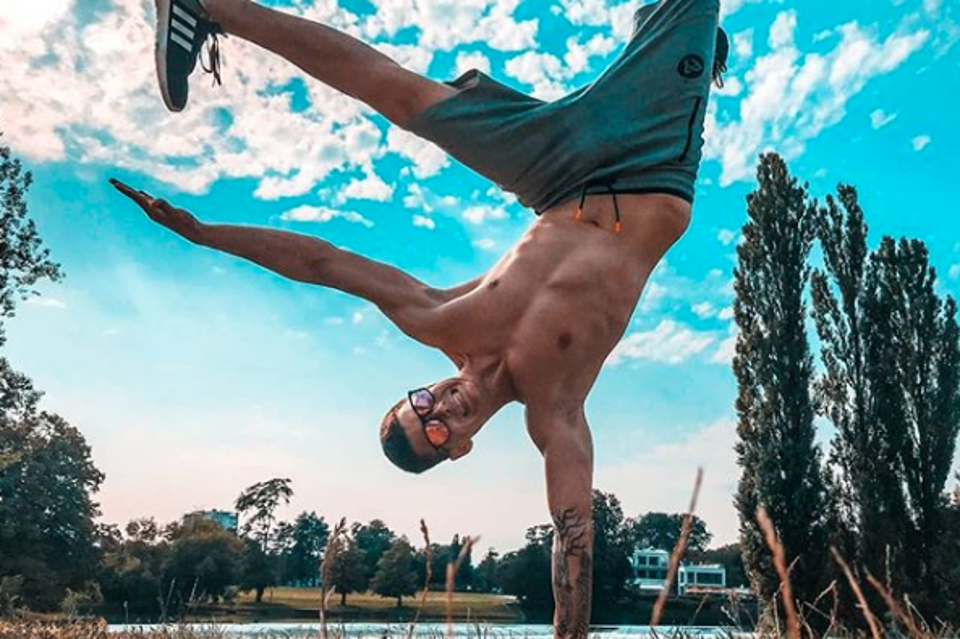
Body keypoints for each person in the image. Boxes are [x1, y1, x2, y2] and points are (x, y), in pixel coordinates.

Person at [115, 0, 726, 635]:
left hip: (555, 169)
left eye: (422, 404)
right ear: (458, 450)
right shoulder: (556, 411)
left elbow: (323, 263)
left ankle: (207, 7)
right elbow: (573, 538)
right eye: (435, 431)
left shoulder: (440, 319)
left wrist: (206, 234)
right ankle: (688, 42)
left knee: (408, 100)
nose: (442, 410)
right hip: (651, 161)